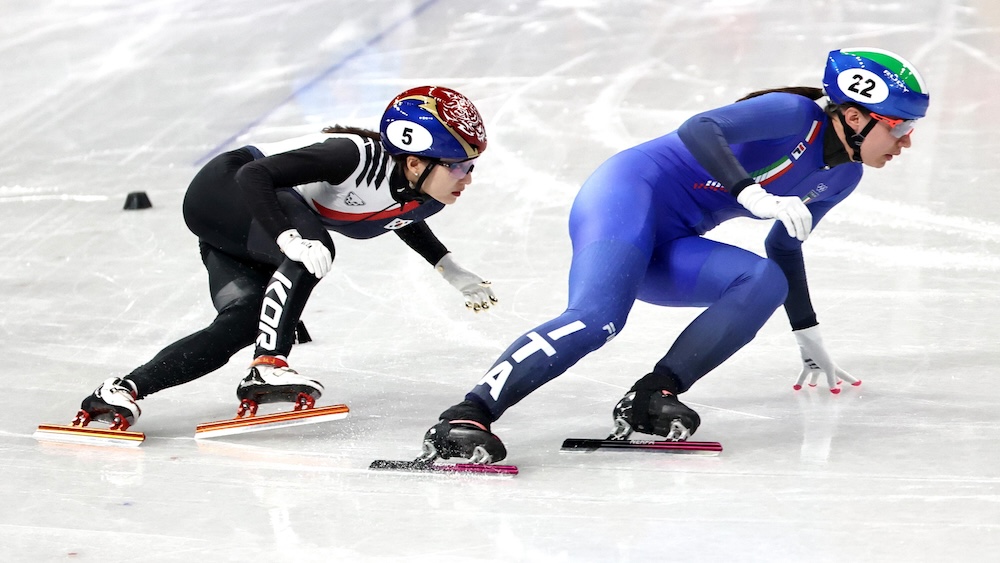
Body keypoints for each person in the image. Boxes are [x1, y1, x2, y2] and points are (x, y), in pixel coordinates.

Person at [420, 48, 930, 464]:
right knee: (597, 319)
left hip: (673, 240)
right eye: (900, 127)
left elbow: (782, 246)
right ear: (855, 116)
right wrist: (749, 192)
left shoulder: (844, 176)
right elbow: (699, 127)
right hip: (627, 196)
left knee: (764, 280)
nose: (906, 141)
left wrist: (807, 332)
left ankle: (652, 396)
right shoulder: (796, 115)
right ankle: (468, 414)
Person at [76, 86, 497, 431]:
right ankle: (268, 364)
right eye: (459, 167)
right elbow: (253, 174)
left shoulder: (428, 197)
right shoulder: (352, 157)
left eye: (472, 166)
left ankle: (122, 389)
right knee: (316, 249)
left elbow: (398, 217)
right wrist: (289, 238)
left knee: (245, 321)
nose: (467, 179)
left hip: (241, 233)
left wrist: (449, 268)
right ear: (415, 161)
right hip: (223, 190)